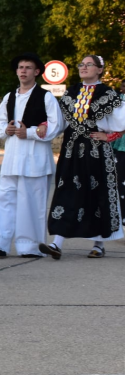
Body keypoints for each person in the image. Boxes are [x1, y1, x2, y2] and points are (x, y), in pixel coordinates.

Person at [0, 53, 64, 259]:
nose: (23, 71)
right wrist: (5, 130)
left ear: (36, 72)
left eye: (28, 67)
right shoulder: (9, 97)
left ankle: (30, 246)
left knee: (31, 202)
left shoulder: (46, 97)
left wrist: (31, 132)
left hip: (35, 158)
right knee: (4, 200)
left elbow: (57, 125)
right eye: (20, 67)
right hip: (12, 158)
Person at [40, 54, 125, 259]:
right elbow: (59, 121)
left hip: (97, 150)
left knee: (97, 193)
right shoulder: (71, 92)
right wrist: (43, 126)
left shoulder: (108, 94)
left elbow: (121, 121)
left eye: (89, 65)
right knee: (66, 190)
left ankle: (99, 244)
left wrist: (109, 135)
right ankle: (56, 243)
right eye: (81, 64)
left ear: (99, 69)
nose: (84, 67)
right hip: (72, 149)